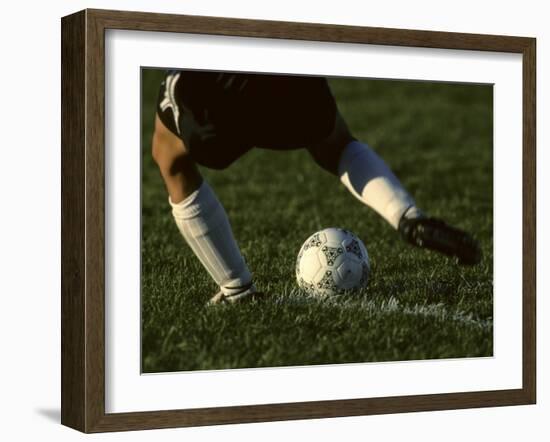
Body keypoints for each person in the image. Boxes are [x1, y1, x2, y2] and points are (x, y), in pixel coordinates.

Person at [151, 70, 481, 304]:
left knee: (168, 153)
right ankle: (408, 216)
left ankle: (237, 290)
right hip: (286, 67)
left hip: (220, 83)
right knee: (336, 144)